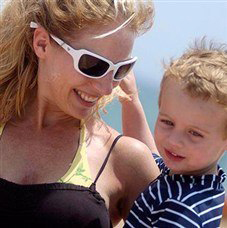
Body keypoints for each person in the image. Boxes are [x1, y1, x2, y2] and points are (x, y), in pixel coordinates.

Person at [0, 0, 160, 227]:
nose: (106, 88)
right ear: (42, 43)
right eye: (93, 64)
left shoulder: (122, 160)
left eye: (120, 70)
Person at [124, 40, 227, 227]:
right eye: (167, 122)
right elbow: (148, 155)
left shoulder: (182, 208)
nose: (174, 140)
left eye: (194, 134)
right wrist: (130, 99)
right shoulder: (194, 180)